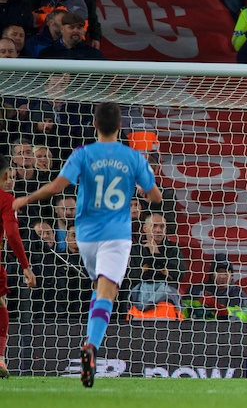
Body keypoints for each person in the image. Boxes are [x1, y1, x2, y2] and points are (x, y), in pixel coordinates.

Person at [12, 102, 162, 388]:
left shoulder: (83, 153)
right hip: (116, 235)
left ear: (94, 126)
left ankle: (91, 342)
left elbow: (57, 187)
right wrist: (144, 187)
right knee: (108, 290)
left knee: (99, 286)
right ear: (120, 127)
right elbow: (155, 198)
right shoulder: (133, 157)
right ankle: (91, 345)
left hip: (85, 235)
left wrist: (26, 199)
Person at [0, 156, 35, 378]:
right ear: (4, 176)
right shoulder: (6, 200)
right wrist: (25, 266)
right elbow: (12, 234)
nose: (12, 180)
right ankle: (0, 359)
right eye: (11, 176)